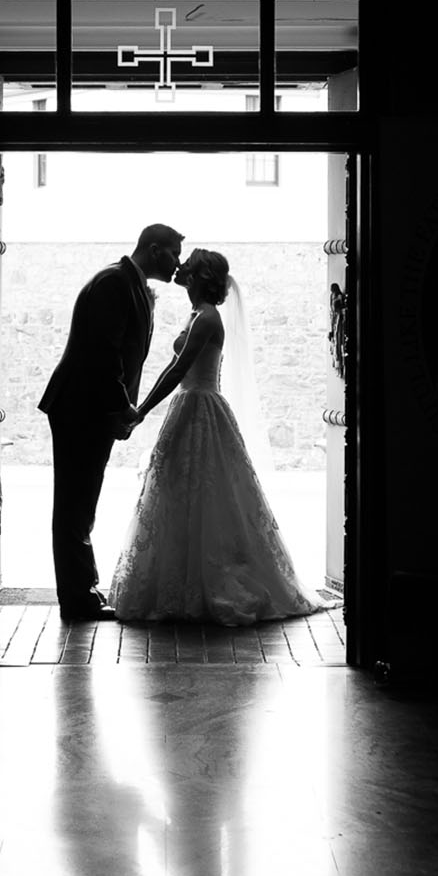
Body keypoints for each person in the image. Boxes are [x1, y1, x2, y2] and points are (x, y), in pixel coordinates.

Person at [108, 248, 334, 626]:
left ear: (198, 278)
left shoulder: (208, 318)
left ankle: (204, 584)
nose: (180, 269)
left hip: (200, 409)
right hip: (188, 407)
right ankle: (181, 583)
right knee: (178, 494)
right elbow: (174, 366)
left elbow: (179, 368)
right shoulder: (197, 314)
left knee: (206, 495)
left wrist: (141, 411)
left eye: (188, 267)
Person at [39, 224, 185, 620]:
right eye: (174, 253)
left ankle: (82, 591)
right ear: (154, 250)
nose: (178, 262)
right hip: (81, 409)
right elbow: (104, 355)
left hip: (89, 408)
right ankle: (78, 598)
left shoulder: (126, 282)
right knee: (75, 503)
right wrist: (122, 408)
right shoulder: (114, 284)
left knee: (81, 502)